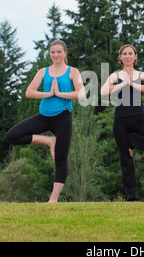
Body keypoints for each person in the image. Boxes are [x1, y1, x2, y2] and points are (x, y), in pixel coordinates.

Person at [6, 40, 85, 203]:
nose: (55, 55)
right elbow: (29, 92)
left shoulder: (73, 71)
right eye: (52, 52)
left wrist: (60, 94)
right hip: (43, 116)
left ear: (65, 53)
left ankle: (53, 200)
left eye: (58, 52)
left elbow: (81, 94)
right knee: (12, 136)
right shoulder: (43, 71)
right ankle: (49, 141)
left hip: (63, 117)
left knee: (61, 158)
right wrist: (48, 93)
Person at [100, 44, 144, 201]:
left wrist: (131, 83)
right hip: (120, 121)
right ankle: (132, 197)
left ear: (135, 57)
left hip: (139, 119)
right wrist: (122, 83)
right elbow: (103, 92)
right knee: (126, 160)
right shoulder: (115, 76)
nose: (127, 56)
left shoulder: (142, 75)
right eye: (124, 53)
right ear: (120, 57)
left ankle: (132, 141)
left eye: (130, 53)